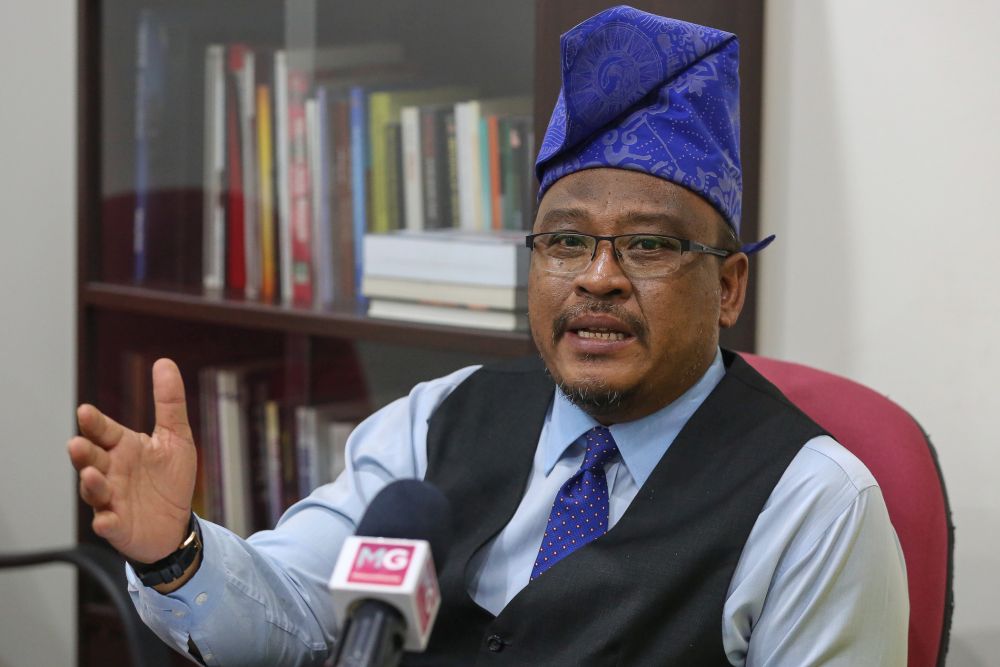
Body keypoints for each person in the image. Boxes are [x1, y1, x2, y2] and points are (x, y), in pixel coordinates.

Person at [68, 6, 907, 666]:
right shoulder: (439, 418)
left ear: (727, 285)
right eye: (566, 241)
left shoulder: (814, 507)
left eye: (647, 245)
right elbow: (292, 617)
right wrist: (176, 552)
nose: (597, 278)